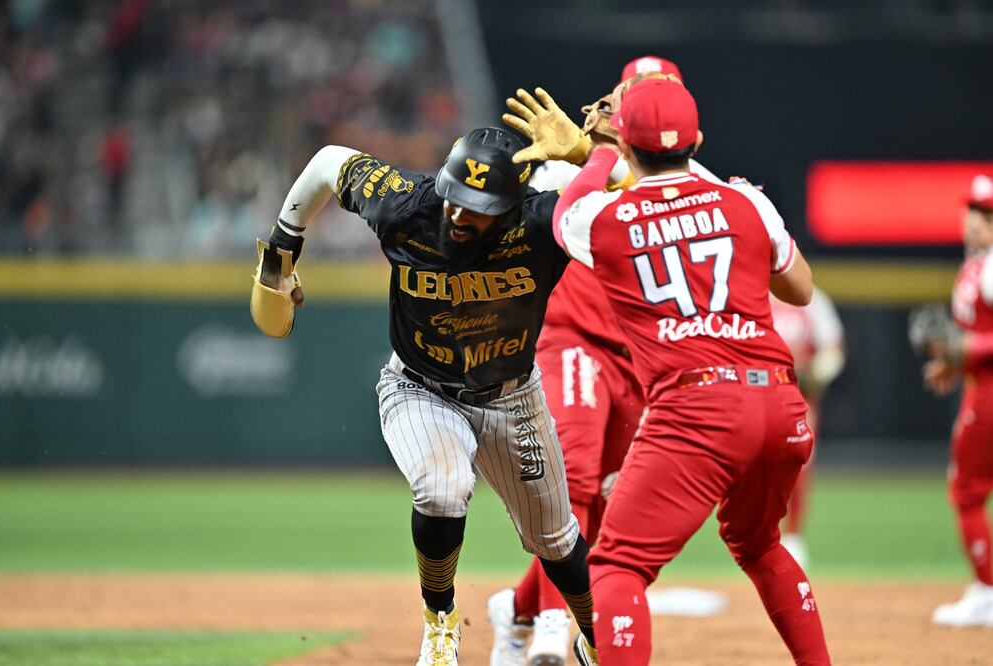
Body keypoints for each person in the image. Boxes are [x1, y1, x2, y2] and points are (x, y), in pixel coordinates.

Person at [250, 127, 599, 665]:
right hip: (419, 388)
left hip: (512, 398)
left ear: (509, 206)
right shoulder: (409, 205)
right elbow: (327, 162)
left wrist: (588, 155)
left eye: (478, 208)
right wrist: (283, 246)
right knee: (443, 486)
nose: (460, 216)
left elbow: (639, 207)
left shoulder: (542, 222)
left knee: (554, 540)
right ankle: (440, 624)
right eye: (456, 197)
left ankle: (598, 637)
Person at [553, 77, 831, 664]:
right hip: (782, 404)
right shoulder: (747, 201)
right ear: (698, 138)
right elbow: (801, 289)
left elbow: (567, 213)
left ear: (627, 143)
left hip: (698, 407)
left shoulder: (609, 218)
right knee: (760, 545)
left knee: (617, 564)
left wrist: (598, 149)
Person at [486, 56, 716, 666]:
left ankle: (517, 608)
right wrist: (585, 153)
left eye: (661, 90)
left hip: (642, 359)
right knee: (579, 480)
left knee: (614, 515)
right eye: (636, 90)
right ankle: (558, 629)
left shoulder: (685, 173)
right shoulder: (567, 156)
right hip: (574, 339)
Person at [924, 173, 993, 627]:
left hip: (989, 395)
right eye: (972, 210)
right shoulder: (974, 266)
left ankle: (986, 591)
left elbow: (977, 341)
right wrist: (954, 364)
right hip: (980, 387)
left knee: (966, 490)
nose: (975, 221)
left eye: (986, 215)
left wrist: (969, 351)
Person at [770, 287, 846, 568]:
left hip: (799, 396)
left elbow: (833, 349)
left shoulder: (813, 299)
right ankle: (760, 534)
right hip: (757, 394)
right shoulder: (748, 290)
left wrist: (816, 373)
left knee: (800, 462)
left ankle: (793, 536)